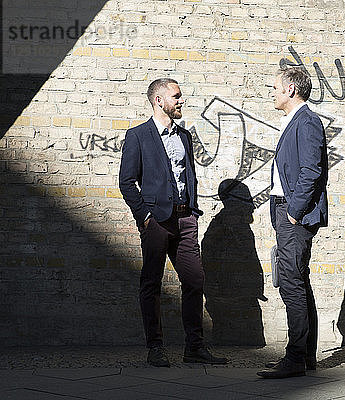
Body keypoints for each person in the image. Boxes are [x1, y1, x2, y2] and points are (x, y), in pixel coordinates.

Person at [119, 78, 227, 367]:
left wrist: (192, 209)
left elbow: (187, 174)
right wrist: (145, 216)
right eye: (176, 97)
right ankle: (155, 347)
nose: (181, 101)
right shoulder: (138, 136)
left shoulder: (184, 136)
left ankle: (194, 347)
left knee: (194, 280)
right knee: (151, 283)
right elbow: (127, 182)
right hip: (156, 222)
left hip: (185, 219)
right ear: (159, 100)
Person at [257, 67, 328, 379]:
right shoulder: (294, 121)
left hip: (293, 213)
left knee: (290, 283)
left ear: (290, 90)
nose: (272, 93)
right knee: (297, 280)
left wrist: (294, 211)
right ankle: (305, 357)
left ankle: (295, 358)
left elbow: (312, 170)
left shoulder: (307, 121)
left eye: (275, 88)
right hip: (284, 210)